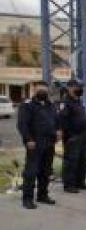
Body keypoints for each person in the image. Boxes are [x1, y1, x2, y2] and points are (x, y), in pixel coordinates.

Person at [17, 81, 59, 209]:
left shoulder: (50, 105)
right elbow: (22, 124)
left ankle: (42, 195)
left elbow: (56, 121)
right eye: (40, 89)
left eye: (44, 90)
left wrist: (57, 132)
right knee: (31, 172)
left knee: (45, 171)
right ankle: (27, 199)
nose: (42, 92)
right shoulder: (27, 105)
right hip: (34, 143)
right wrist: (28, 139)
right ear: (34, 91)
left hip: (49, 142)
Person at [57, 78, 86, 193]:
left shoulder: (78, 101)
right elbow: (62, 120)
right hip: (72, 137)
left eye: (80, 87)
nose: (79, 89)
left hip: (82, 136)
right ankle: (69, 184)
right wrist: (68, 135)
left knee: (82, 161)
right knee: (71, 161)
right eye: (77, 87)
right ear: (70, 88)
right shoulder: (65, 102)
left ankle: (79, 182)